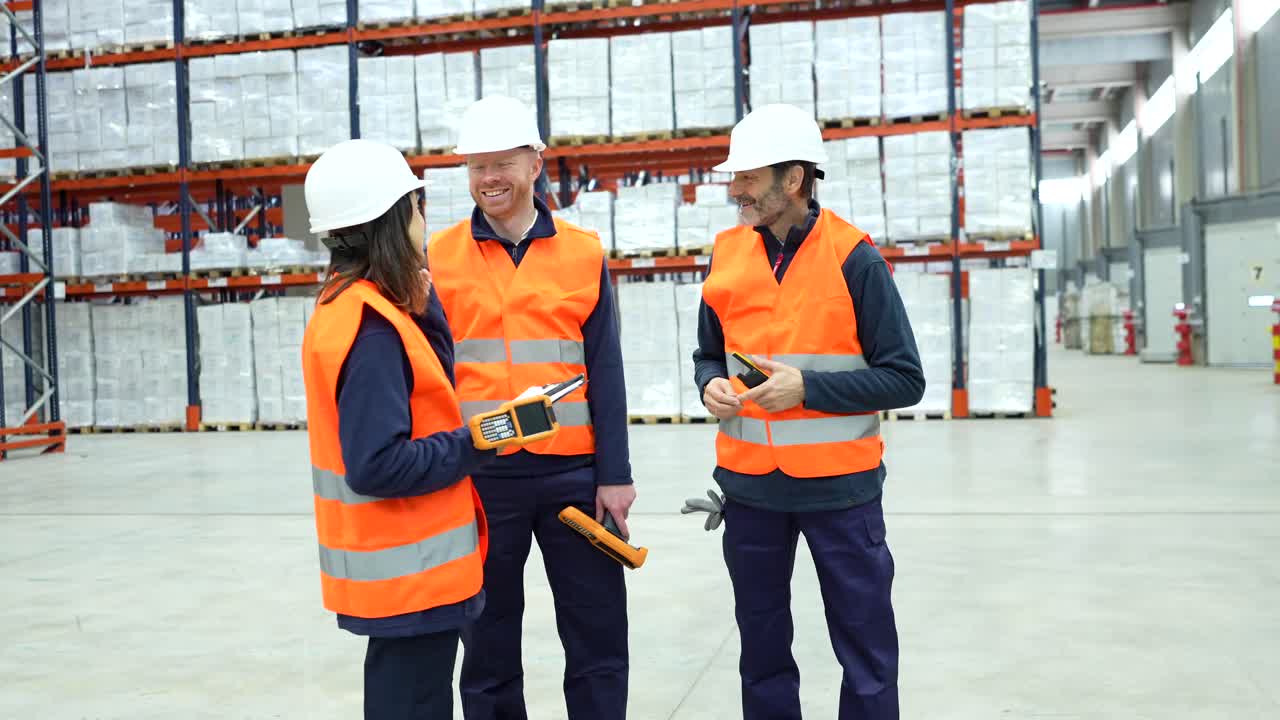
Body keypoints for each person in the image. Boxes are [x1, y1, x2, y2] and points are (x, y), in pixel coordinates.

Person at [686, 104, 926, 719]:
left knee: (866, 648)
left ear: (792, 179)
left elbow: (905, 379)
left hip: (841, 494)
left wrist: (808, 390)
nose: (733, 188)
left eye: (746, 177)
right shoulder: (726, 253)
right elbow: (708, 353)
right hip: (749, 491)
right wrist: (710, 383)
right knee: (761, 650)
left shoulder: (854, 258)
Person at [425, 95, 634, 720]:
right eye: (475, 166)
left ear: (535, 163)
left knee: (597, 638)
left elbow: (607, 370)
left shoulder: (582, 251)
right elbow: (429, 375)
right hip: (482, 477)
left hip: (574, 476)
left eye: (501, 163)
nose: (488, 178)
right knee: (486, 645)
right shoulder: (437, 257)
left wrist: (615, 476)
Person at [300, 139, 499, 720]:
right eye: (416, 207)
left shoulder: (359, 306)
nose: (423, 220)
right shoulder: (372, 330)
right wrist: (484, 438)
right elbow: (377, 465)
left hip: (405, 575)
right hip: (409, 575)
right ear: (389, 219)